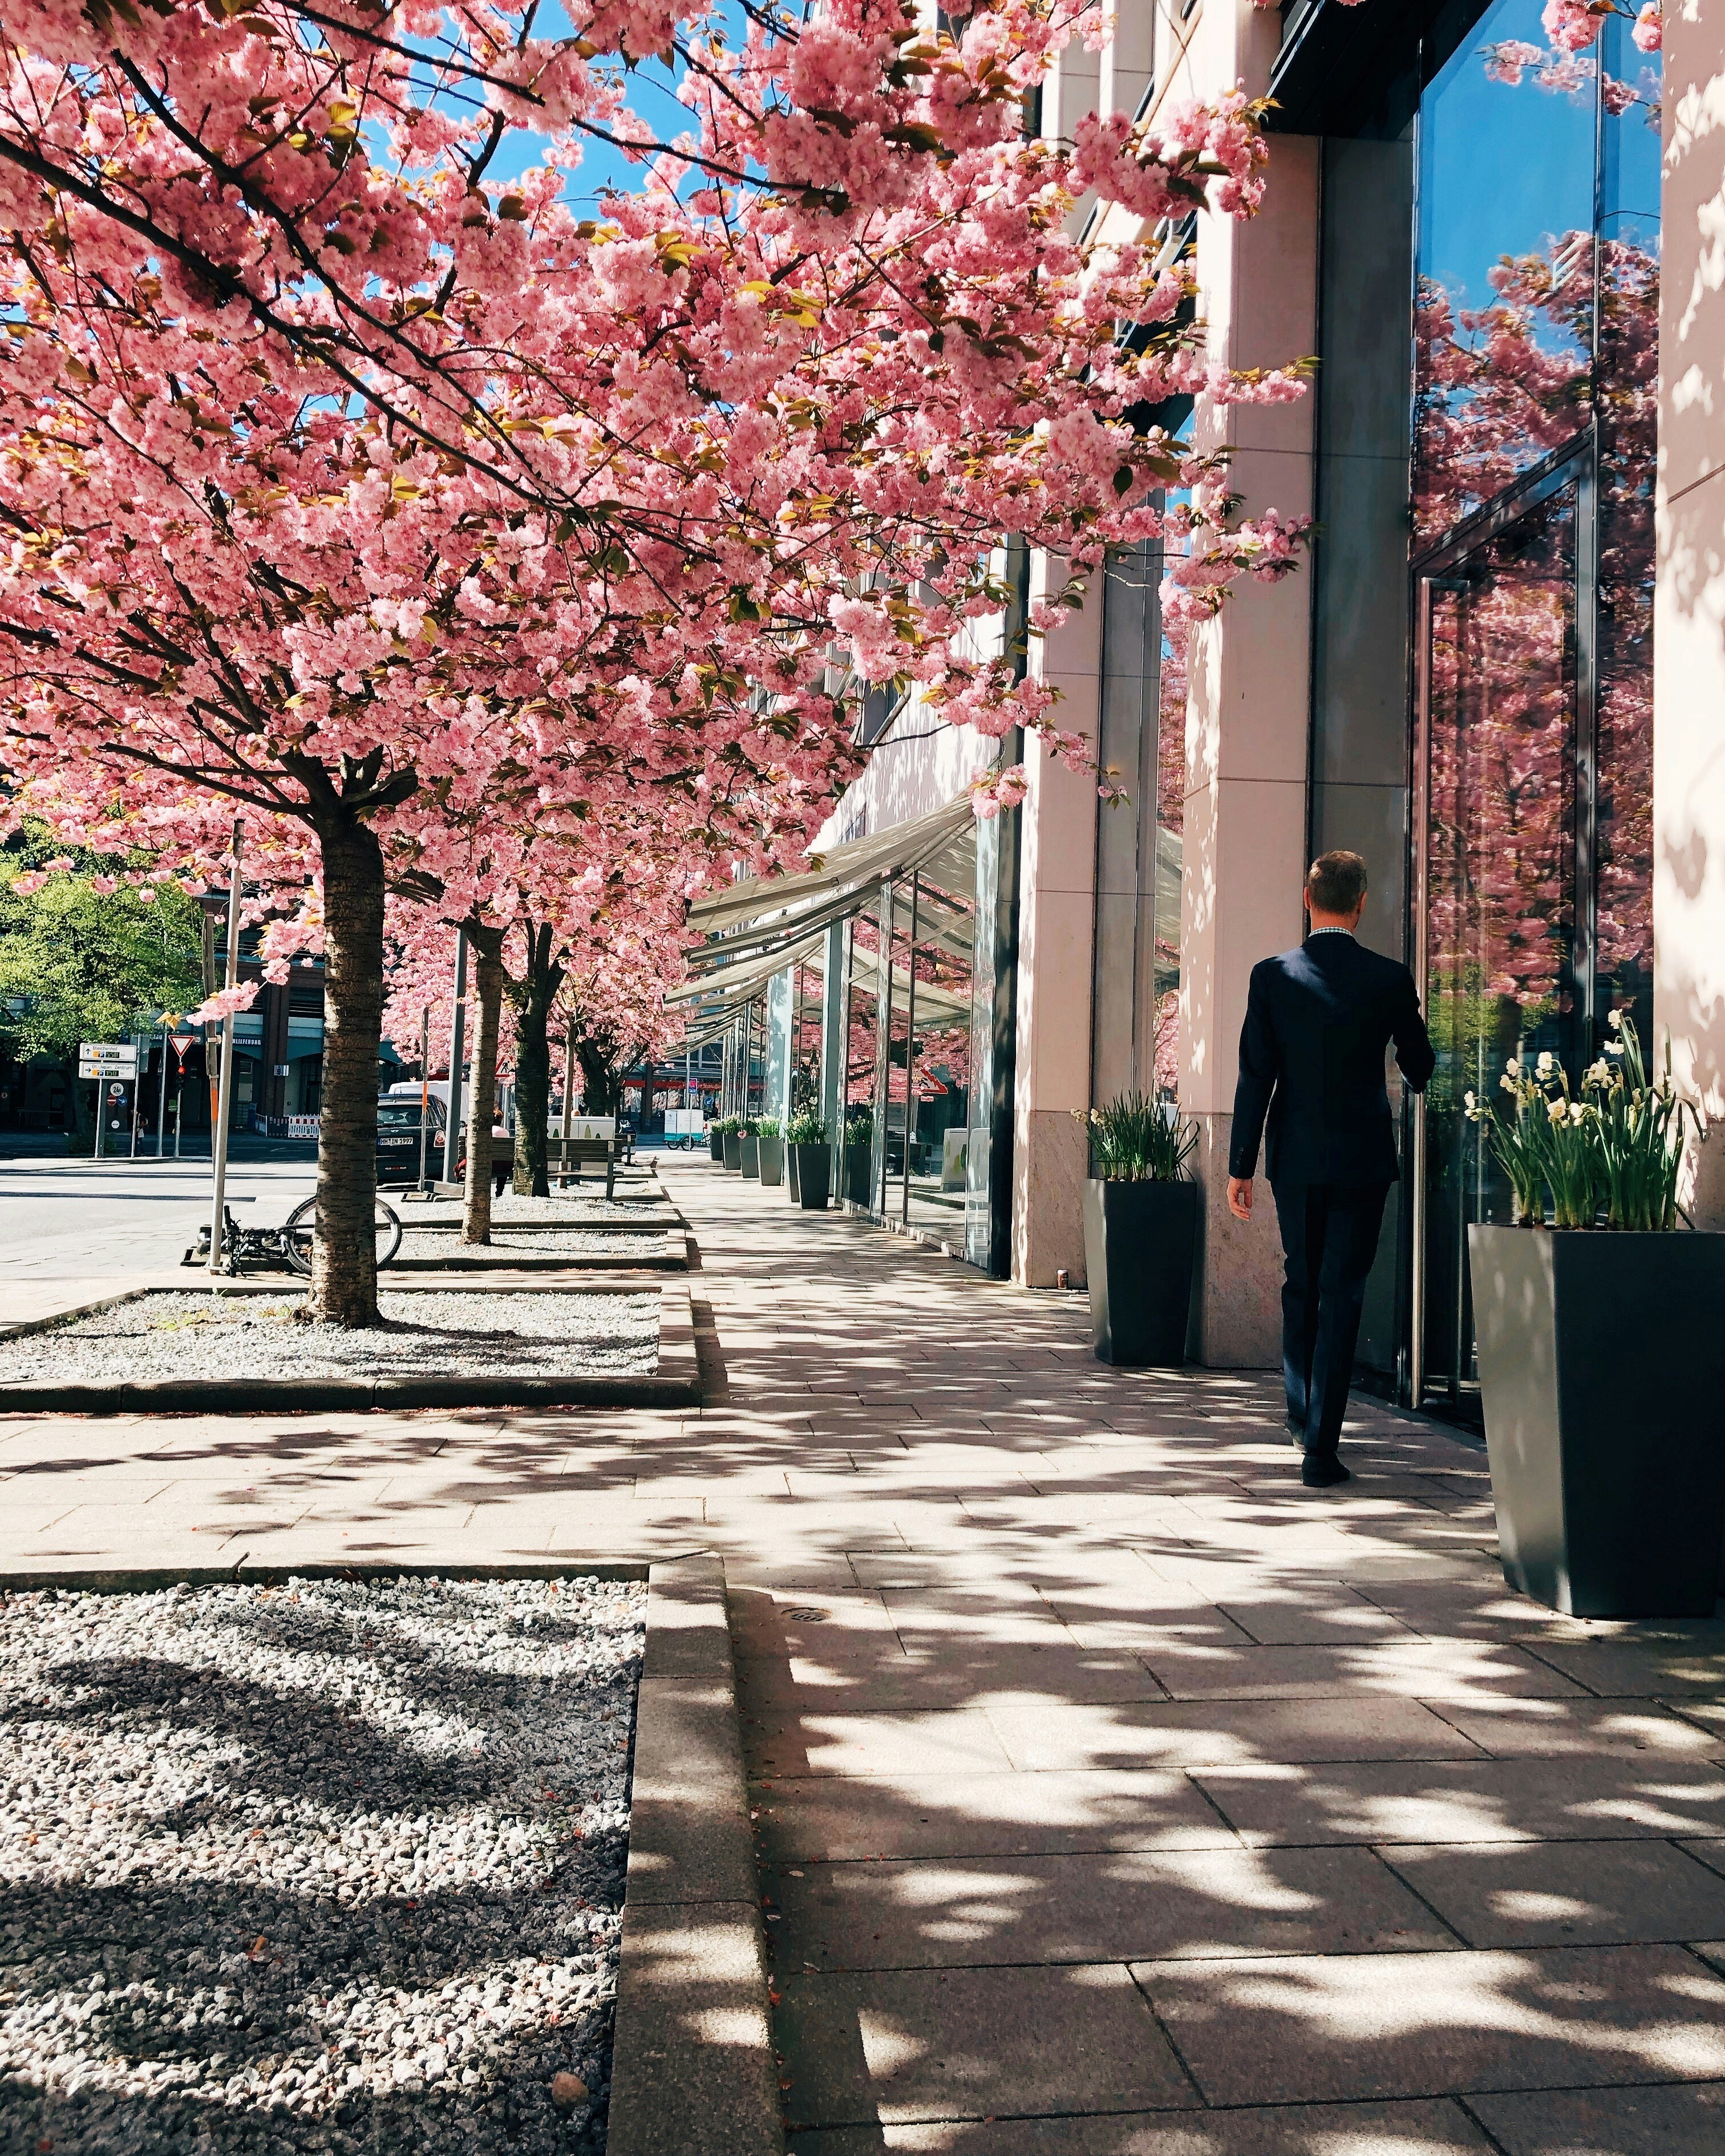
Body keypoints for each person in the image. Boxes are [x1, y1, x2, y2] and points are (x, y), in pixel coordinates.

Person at [1226, 851, 1435, 1488]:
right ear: (1362, 903)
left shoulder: (1272, 976)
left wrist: (1240, 1165)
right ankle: (1322, 1446)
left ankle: (1299, 1413)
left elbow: (1255, 1076)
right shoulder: (1390, 978)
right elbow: (1421, 1064)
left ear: (1306, 897)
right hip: (1365, 1157)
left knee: (1302, 1282)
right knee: (1343, 1291)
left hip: (1294, 1157)